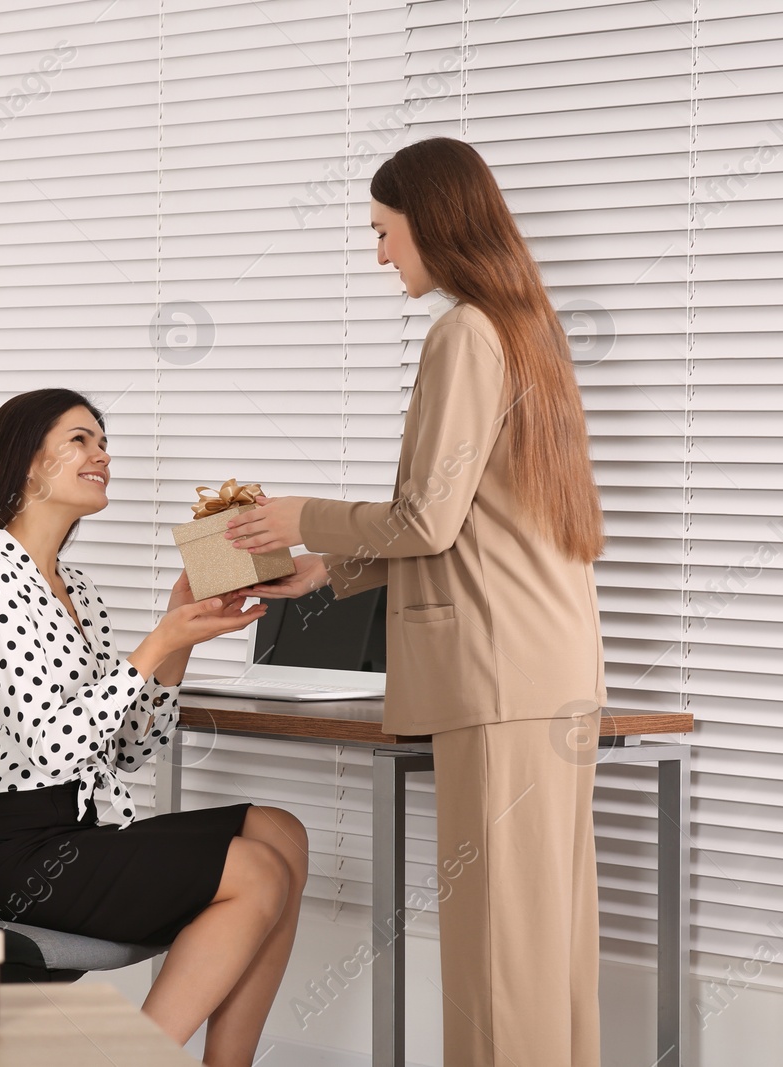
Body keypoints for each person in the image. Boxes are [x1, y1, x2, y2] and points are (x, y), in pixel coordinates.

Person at [229, 137, 607, 1067]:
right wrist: (326, 568)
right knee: (551, 946)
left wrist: (298, 513)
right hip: (551, 669)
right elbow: (480, 523)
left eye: (384, 232)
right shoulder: (528, 331)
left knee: (495, 956)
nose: (380, 254)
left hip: (495, 676)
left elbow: (427, 518)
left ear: (430, 223)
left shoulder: (465, 332)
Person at [0, 388, 310, 1064]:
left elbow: (130, 747)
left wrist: (181, 632)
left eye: (103, 441)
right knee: (253, 869)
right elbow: (53, 749)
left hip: (76, 832)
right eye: (80, 439)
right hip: (8, 851)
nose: (101, 454)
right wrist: (156, 642)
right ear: (27, 462)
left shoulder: (74, 587)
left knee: (283, 831)